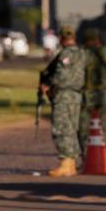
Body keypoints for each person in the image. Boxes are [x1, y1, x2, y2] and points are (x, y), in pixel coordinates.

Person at [40, 26, 86, 177]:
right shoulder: (81, 53)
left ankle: (66, 163)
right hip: (76, 95)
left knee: (62, 128)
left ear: (61, 38)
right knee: (72, 128)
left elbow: (62, 76)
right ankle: (71, 162)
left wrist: (48, 85)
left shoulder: (65, 54)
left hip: (64, 95)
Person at [79, 28, 106, 160]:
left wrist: (104, 87)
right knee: (91, 128)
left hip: (95, 94)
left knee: (93, 128)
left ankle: (100, 158)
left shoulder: (98, 52)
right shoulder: (90, 52)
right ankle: (92, 158)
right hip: (93, 94)